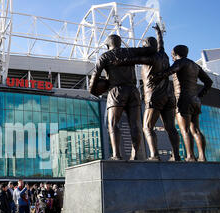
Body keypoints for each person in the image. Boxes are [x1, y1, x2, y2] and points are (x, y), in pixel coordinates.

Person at [114, 24, 181, 161]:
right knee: (171, 127)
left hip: (155, 96)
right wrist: (159, 33)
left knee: (147, 127)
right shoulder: (164, 55)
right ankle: (176, 155)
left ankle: (154, 155)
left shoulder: (148, 58)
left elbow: (132, 59)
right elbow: (161, 44)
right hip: (169, 95)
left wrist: (117, 60)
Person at [89, 34, 156, 160]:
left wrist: (93, 91)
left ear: (107, 45)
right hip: (133, 90)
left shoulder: (105, 56)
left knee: (113, 124)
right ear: (120, 43)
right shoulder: (130, 51)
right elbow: (152, 49)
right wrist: (155, 38)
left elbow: (95, 76)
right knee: (135, 124)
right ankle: (135, 155)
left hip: (116, 91)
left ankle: (116, 155)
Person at [150, 44, 213, 162]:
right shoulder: (195, 65)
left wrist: (156, 76)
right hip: (195, 100)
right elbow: (209, 82)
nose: (172, 58)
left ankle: (190, 156)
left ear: (174, 54)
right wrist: (199, 95)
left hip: (183, 99)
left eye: (172, 55)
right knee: (196, 129)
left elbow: (170, 71)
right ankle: (202, 157)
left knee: (185, 129)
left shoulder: (180, 62)